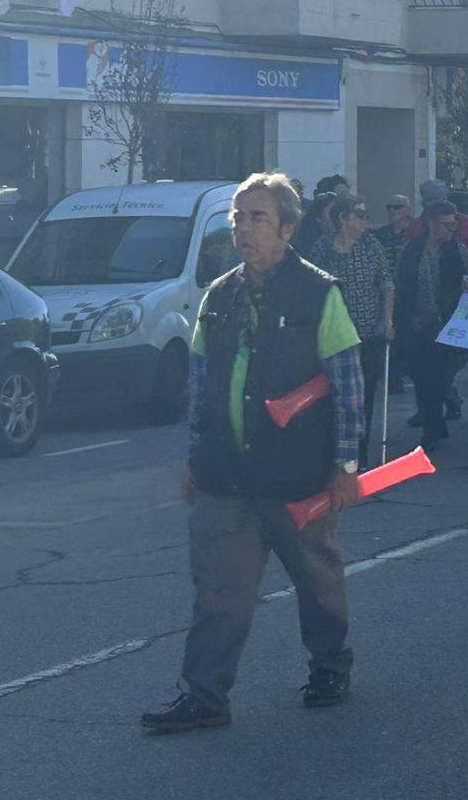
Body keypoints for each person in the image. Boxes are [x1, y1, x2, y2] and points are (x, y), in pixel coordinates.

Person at [141, 173, 364, 734]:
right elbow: (200, 389)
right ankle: (205, 694)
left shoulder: (320, 293)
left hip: (298, 478)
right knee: (219, 592)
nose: (242, 228)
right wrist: (195, 461)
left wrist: (345, 467)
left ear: (288, 229)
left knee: (317, 581)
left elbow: (348, 385)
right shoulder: (218, 297)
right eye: (237, 217)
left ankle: (329, 666)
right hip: (226, 479)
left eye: (256, 217)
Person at [308, 195, 393, 457]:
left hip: (367, 332)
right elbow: (311, 287)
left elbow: (386, 284)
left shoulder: (371, 245)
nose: (365, 221)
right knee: (334, 396)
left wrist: (387, 321)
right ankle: (334, 451)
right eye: (360, 215)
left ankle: (360, 453)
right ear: (343, 218)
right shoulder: (323, 247)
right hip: (333, 335)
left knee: (363, 395)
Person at [394, 201, 468, 447]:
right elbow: (401, 288)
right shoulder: (412, 250)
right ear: (431, 224)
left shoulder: (458, 252)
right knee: (421, 376)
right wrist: (408, 317)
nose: (451, 229)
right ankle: (433, 421)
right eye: (446, 224)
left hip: (449, 324)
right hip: (418, 323)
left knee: (440, 378)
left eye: (454, 224)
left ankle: (433, 427)